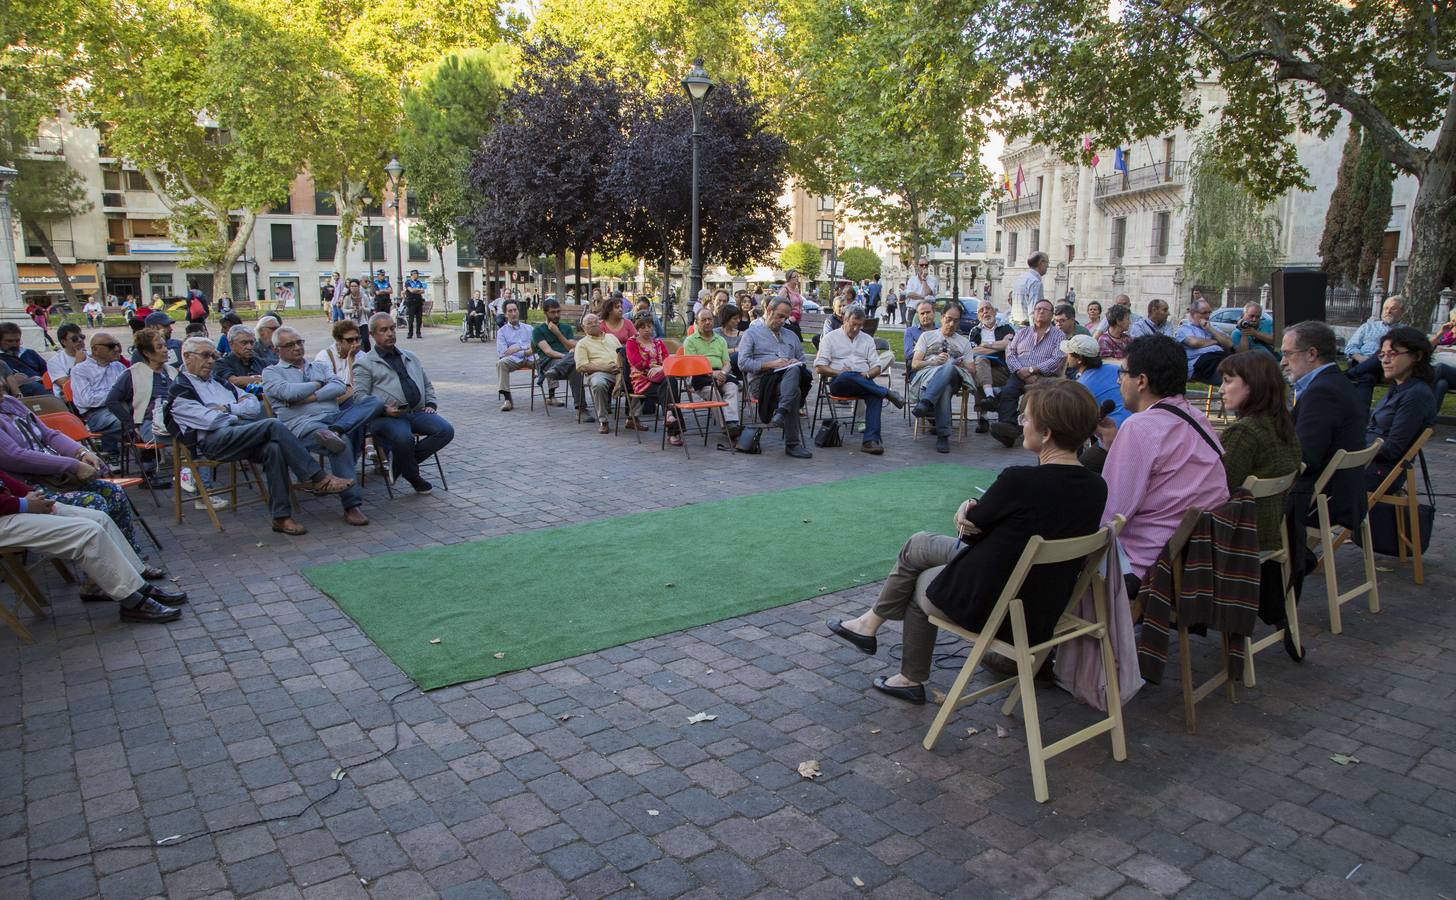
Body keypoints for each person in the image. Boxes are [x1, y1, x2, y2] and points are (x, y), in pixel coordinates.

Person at [825, 379, 1108, 703]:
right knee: (919, 544)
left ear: (1046, 434)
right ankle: (868, 625)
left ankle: (908, 675)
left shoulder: (1019, 480)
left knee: (920, 580)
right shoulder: (1097, 487)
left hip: (998, 602)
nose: (1021, 423)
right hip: (1042, 604)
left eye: (1026, 418)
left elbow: (971, 534)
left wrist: (966, 510)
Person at [168, 338, 353, 534]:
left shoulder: (218, 382)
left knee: (273, 448)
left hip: (240, 432)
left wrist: (228, 408)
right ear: (187, 357)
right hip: (213, 442)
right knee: (272, 425)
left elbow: (253, 405)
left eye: (214, 356)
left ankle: (281, 517)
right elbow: (210, 421)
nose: (212, 361)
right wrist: (235, 412)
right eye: (206, 355)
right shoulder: (180, 389)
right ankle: (319, 478)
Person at [1094, 335, 1228, 596]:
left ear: (1141, 381)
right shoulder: (1196, 416)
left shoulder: (1139, 427)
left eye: (1122, 373)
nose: (1119, 381)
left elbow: (1112, 516)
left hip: (1147, 566)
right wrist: (1114, 447)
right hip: (1200, 558)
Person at [0, 471, 184, 623]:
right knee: (88, 532)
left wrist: (31, 495)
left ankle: (138, 584)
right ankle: (131, 601)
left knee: (98, 518)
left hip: (10, 504)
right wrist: (24, 504)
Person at [0, 379, 146, 554]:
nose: (2, 387)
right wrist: (72, 465)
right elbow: (15, 457)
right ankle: (103, 569)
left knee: (113, 491)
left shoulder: (10, 403)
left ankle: (132, 557)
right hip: (30, 485)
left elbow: (49, 435)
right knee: (93, 503)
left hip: (58, 476)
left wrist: (81, 453)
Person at [1216, 350, 1302, 620]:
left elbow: (1217, 491)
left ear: (1253, 385)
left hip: (1239, 540)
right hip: (1270, 535)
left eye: (1228, 381)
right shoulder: (1283, 425)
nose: (1221, 389)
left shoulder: (1244, 432)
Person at [263, 328, 379, 526]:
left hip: (335, 419)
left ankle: (336, 430)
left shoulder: (318, 366)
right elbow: (288, 392)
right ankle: (352, 506)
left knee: (374, 401)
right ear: (276, 351)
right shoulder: (271, 372)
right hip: (304, 425)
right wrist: (319, 384)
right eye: (290, 345)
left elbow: (339, 386)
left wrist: (307, 397)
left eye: (300, 342)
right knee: (339, 443)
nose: (297, 347)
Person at [1280, 321, 1367, 535]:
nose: (1282, 362)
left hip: (1322, 499)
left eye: (1287, 354)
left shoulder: (1322, 392)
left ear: (1311, 353)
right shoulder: (1337, 382)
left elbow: (1304, 456)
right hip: (1343, 492)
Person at [353, 314, 454, 494]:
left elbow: (426, 383)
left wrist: (430, 402)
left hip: (416, 412)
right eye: (384, 330)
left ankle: (399, 464)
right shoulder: (365, 363)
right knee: (404, 438)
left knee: (445, 430)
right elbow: (359, 398)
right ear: (372, 334)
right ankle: (412, 475)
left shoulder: (410, 357)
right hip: (385, 417)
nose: (390, 333)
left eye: (392, 328)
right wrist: (383, 409)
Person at [813, 304, 904, 455]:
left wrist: (867, 374)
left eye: (860, 325)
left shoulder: (867, 339)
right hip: (839, 382)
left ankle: (870, 441)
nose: (856, 329)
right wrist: (838, 372)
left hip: (864, 381)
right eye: (853, 324)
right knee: (848, 375)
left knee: (875, 395)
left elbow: (876, 367)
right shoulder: (830, 338)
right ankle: (887, 392)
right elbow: (819, 367)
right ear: (845, 319)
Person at [1365, 326, 1437, 491]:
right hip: (1368, 463)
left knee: (1313, 477)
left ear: (1417, 356)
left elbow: (1393, 449)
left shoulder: (1416, 395)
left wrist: (1353, 449)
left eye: (1393, 354)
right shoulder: (1398, 387)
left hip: (1381, 472)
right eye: (1382, 355)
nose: (1385, 360)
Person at [103, 326, 176, 489]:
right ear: (147, 353)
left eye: (165, 345)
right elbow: (112, 401)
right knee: (188, 436)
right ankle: (188, 472)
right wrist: (131, 425)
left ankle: (190, 471)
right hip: (148, 423)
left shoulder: (171, 372)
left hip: (174, 419)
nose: (166, 350)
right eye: (160, 347)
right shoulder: (133, 373)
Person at [739, 299, 812, 458]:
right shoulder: (751, 334)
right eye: (779, 316)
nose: (782, 321)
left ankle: (781, 412)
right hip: (762, 383)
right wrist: (771, 364)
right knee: (795, 392)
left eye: (785, 318)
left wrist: (795, 362)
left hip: (786, 382)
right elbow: (743, 363)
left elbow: (803, 361)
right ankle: (792, 444)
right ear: (768, 309)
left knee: (793, 372)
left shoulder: (791, 335)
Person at [990, 299, 1064, 447]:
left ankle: (1014, 430)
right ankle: (1007, 427)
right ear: (1033, 313)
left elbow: (1058, 358)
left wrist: (1032, 370)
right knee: (1008, 391)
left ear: (1051, 315)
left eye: (1045, 309)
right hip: (1019, 373)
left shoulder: (1058, 335)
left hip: (1043, 376)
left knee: (1030, 397)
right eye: (1038, 309)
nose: (1041, 311)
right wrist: (1019, 370)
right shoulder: (1022, 332)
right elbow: (1010, 353)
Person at [909, 302, 973, 453]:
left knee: (949, 366)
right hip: (929, 376)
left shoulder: (964, 342)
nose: (951, 324)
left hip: (955, 377)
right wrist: (933, 361)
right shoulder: (927, 336)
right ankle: (943, 437)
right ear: (942, 317)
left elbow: (973, 369)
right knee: (944, 389)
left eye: (956, 321)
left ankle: (925, 402)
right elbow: (915, 364)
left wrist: (959, 363)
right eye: (949, 319)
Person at [682, 306, 742, 437]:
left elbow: (727, 363)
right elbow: (693, 365)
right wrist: (712, 374)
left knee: (732, 387)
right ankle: (725, 426)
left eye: (709, 319)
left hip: (721, 373)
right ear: (697, 322)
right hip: (700, 376)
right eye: (703, 320)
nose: (707, 322)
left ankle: (732, 423)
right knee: (713, 391)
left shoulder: (720, 340)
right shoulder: (690, 341)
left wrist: (723, 374)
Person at [624, 310, 682, 444]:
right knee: (670, 387)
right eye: (643, 327)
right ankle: (673, 430)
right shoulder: (631, 343)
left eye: (649, 326)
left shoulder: (658, 343)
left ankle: (669, 415)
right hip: (642, 381)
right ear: (637, 328)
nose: (647, 329)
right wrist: (654, 367)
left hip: (661, 379)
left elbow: (667, 361)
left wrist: (660, 368)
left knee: (669, 384)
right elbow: (637, 363)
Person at [67, 333, 127, 456]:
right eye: (111, 346)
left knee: (145, 416)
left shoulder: (118, 366)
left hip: (121, 407)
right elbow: (86, 401)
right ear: (95, 349)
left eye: (117, 345)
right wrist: (116, 395)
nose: (116, 349)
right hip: (96, 414)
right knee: (130, 421)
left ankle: (146, 461)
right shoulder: (80, 370)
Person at [1345, 295, 1404, 411]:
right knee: (1367, 378)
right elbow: (1350, 347)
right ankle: (1361, 417)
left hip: (1389, 366)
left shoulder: (1405, 331)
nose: (1388, 311)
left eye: (1393, 308)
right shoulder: (1368, 327)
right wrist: (1361, 358)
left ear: (1402, 312)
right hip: (1364, 363)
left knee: (1382, 354)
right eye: (1386, 308)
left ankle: (1349, 375)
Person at [965, 302, 1014, 433]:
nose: (985, 312)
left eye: (988, 308)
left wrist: (986, 344)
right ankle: (991, 397)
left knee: (978, 372)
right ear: (979, 316)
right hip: (982, 368)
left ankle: (984, 416)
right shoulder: (975, 331)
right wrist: (1000, 344)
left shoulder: (1006, 328)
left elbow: (1010, 345)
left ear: (995, 311)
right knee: (980, 363)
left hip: (1003, 369)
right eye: (981, 310)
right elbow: (974, 352)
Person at [1063, 333, 1129, 428]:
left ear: (1079, 359)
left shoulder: (1082, 386)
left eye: (1069, 353)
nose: (1067, 356)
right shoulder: (1115, 369)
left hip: (1112, 430)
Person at [573, 314, 621, 433]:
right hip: (599, 372)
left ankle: (632, 417)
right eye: (589, 323)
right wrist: (605, 368)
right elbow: (581, 366)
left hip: (620, 370)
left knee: (638, 379)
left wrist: (620, 366)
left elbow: (622, 354)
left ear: (600, 324)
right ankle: (603, 421)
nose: (593, 324)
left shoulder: (612, 337)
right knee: (598, 383)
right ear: (584, 328)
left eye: (595, 321)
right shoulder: (582, 343)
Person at [533, 298, 583, 413]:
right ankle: (581, 408)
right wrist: (566, 357)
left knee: (575, 368)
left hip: (564, 362)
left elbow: (570, 347)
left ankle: (580, 408)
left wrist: (558, 333)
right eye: (552, 312)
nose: (556, 315)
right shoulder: (538, 330)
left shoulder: (566, 328)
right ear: (545, 313)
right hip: (548, 361)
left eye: (558, 312)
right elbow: (548, 352)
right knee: (574, 362)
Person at [1175, 298, 1235, 383]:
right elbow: (1194, 343)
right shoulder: (1185, 328)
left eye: (1209, 312)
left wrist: (1210, 329)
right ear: (1193, 313)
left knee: (1240, 365)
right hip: (1200, 366)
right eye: (1204, 313)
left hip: (1219, 360)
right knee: (1235, 374)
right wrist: (1217, 342)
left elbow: (1229, 344)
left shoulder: (1211, 326)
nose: (1207, 316)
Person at [495, 301, 536, 412]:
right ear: (505, 314)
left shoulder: (529, 328)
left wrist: (518, 347)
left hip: (531, 358)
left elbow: (536, 345)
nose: (513, 313)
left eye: (515, 310)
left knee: (547, 359)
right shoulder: (502, 332)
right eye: (510, 311)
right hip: (514, 360)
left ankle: (551, 396)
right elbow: (503, 352)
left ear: (518, 311)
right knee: (501, 363)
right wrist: (525, 350)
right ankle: (508, 400)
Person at [0, 322, 50, 396]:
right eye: (9, 341)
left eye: (17, 341)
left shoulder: (30, 353)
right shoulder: (1, 361)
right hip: (21, 392)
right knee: (34, 387)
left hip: (43, 385)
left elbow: (47, 372)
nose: (14, 344)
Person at [213, 325, 268, 390]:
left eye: (251, 342)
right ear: (231, 344)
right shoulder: (221, 363)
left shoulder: (261, 361)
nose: (249, 347)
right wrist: (263, 379)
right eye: (244, 343)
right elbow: (233, 381)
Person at [47, 323, 88, 395]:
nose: (80, 340)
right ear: (64, 342)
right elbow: (68, 386)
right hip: (71, 401)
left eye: (82, 336)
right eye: (74, 339)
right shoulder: (54, 362)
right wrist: (78, 364)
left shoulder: (92, 355)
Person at [1012, 252, 1048, 324]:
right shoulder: (1035, 282)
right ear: (1041, 262)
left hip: (1015, 324)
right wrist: (1034, 332)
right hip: (1027, 326)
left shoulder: (1020, 278)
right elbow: (1034, 311)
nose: (1048, 266)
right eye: (1047, 262)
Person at [904, 258, 939, 323]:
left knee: (928, 332)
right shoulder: (912, 280)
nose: (924, 267)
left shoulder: (933, 280)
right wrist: (924, 297)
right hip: (913, 311)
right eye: (921, 265)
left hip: (927, 311)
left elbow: (928, 292)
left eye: (926, 265)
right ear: (917, 266)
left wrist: (923, 279)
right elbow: (909, 294)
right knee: (912, 332)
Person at [777, 270, 806, 336]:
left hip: (797, 321)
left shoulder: (796, 289)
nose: (797, 278)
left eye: (797, 276)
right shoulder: (785, 290)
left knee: (796, 343)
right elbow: (777, 305)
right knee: (796, 341)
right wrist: (788, 318)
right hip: (789, 322)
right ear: (789, 278)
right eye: (794, 277)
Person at [403, 269, 427, 339]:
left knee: (419, 319)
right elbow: (411, 290)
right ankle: (410, 334)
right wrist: (417, 290)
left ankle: (418, 333)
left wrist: (415, 290)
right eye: (417, 274)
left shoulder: (419, 282)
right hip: (411, 303)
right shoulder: (408, 282)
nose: (418, 275)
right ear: (413, 274)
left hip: (418, 303)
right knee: (411, 319)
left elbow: (422, 291)